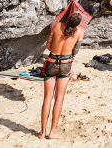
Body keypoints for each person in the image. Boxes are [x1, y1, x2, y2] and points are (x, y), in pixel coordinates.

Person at [37, 12, 84, 140]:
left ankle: (42, 133)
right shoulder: (80, 32)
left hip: (51, 63)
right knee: (59, 98)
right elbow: (75, 52)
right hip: (65, 65)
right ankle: (52, 132)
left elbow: (48, 46)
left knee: (47, 98)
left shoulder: (57, 26)